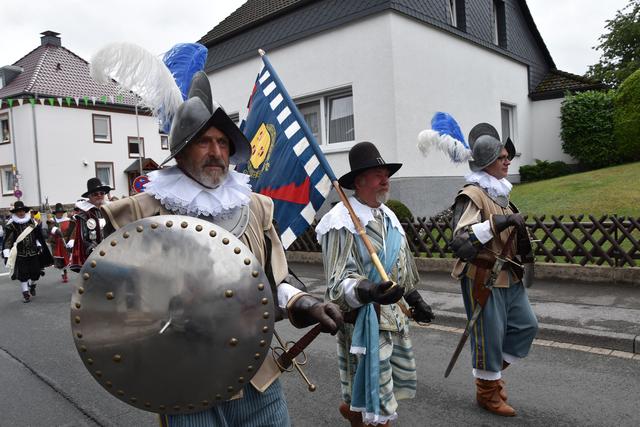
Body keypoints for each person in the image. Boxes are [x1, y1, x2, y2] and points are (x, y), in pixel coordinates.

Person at [100, 71, 343, 427]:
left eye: (222, 142)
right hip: (183, 382)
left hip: (254, 373)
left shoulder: (256, 207)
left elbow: (274, 280)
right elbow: (114, 298)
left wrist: (307, 303)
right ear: (181, 150)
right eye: (203, 141)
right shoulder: (140, 213)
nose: (216, 152)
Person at [316, 141, 434, 426]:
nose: (386, 180)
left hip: (395, 319)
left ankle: (354, 411)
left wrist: (415, 300)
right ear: (359, 181)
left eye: (386, 174)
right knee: (379, 396)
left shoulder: (388, 216)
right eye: (378, 174)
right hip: (364, 320)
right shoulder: (340, 221)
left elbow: (402, 270)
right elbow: (337, 283)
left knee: (382, 385)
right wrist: (369, 290)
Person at [448, 123, 538, 417]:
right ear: (487, 162)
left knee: (527, 326)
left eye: (507, 156)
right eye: (502, 157)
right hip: (483, 276)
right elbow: (460, 241)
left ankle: (491, 376)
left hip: (509, 275)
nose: (508, 161)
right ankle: (488, 392)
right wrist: (498, 223)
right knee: (489, 336)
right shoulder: (472, 195)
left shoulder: (502, 195)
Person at [2, 201, 53, 302]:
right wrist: (7, 254)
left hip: (33, 253)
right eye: (18, 211)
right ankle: (25, 293)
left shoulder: (32, 223)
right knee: (23, 274)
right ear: (15, 212)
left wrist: (39, 245)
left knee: (36, 273)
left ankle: (32, 285)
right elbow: (7, 241)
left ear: (25, 211)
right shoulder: (11, 225)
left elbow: (37, 236)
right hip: (20, 254)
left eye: (22, 211)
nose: (20, 213)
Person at [68, 178, 112, 272]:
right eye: (95, 194)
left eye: (102, 193)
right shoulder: (84, 214)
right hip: (94, 255)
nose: (99, 195)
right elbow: (83, 238)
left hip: (112, 251)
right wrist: (96, 251)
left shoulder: (110, 210)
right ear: (89, 196)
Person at [48, 203, 72, 282]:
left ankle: (65, 271)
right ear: (56, 213)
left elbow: (71, 231)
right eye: (58, 212)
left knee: (67, 258)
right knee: (59, 260)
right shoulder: (52, 221)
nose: (60, 214)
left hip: (65, 242)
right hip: (56, 243)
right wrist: (55, 229)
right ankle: (63, 273)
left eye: (61, 212)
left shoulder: (67, 220)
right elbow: (50, 230)